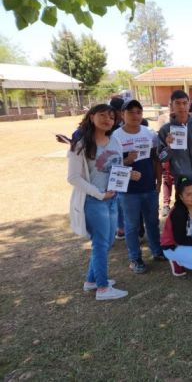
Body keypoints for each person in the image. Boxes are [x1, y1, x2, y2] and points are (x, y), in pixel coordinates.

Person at [67, 104, 140, 300]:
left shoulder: (114, 141)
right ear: (91, 117)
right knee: (100, 243)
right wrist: (99, 194)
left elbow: (114, 168)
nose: (108, 119)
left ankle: (91, 281)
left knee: (106, 242)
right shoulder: (80, 145)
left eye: (111, 116)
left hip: (113, 199)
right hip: (94, 201)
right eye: (102, 115)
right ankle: (102, 288)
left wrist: (128, 173)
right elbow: (73, 178)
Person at [112, 100, 165, 274]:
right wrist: (126, 161)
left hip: (149, 188)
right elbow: (110, 166)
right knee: (132, 226)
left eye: (138, 112)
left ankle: (157, 251)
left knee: (152, 222)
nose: (135, 116)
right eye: (131, 112)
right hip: (127, 192)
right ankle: (135, 259)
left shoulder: (150, 134)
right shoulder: (115, 137)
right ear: (122, 114)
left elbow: (156, 160)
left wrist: (158, 182)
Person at [158, 90, 192, 186]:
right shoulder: (165, 130)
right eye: (177, 103)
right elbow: (161, 158)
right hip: (182, 180)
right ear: (171, 105)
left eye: (184, 103)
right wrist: (169, 148)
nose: (182, 106)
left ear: (189, 105)